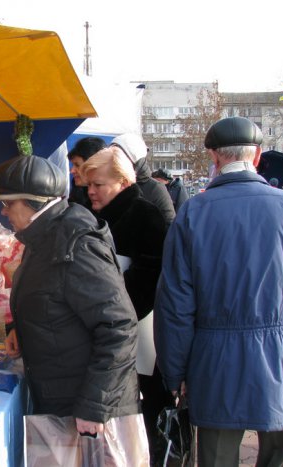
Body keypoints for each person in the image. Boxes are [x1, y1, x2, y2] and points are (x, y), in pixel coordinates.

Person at [154, 117, 283, 467]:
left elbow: (175, 305)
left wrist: (175, 372)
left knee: (215, 458)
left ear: (214, 157)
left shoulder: (193, 214)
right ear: (257, 156)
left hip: (215, 363)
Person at [0, 155, 142, 442]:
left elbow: (119, 328)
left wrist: (95, 404)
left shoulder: (77, 245)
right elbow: (53, 299)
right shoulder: (43, 236)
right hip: (62, 395)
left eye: (8, 203)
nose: (4, 212)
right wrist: (21, 329)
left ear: (33, 201)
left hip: (87, 410)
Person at [80, 147, 172, 465]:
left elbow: (152, 279)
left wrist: (109, 306)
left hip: (139, 337)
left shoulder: (145, 215)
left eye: (98, 184)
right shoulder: (95, 213)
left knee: (138, 423)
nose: (90, 191)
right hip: (109, 331)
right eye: (88, 184)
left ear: (122, 181)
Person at [110, 132, 175, 225]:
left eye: (119, 156)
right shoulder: (110, 184)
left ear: (135, 159)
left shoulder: (155, 188)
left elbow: (169, 224)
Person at [66, 136, 106, 207]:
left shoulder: (113, 198)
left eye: (77, 165)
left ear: (93, 165)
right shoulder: (78, 191)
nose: (72, 171)